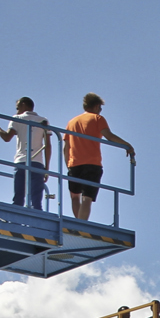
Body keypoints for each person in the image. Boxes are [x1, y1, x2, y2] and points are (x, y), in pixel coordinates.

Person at [64, 93, 135, 222]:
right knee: (87, 197)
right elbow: (109, 136)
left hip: (74, 164)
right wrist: (127, 145)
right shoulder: (97, 119)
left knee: (75, 196)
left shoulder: (72, 122)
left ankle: (78, 222)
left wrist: (68, 164)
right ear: (96, 106)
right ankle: (82, 225)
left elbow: (66, 147)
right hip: (92, 163)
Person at [0, 97, 52, 210]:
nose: (16, 110)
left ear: (24, 105)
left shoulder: (17, 118)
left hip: (21, 161)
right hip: (37, 163)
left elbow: (7, 137)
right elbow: (48, 145)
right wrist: (46, 168)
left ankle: (15, 223)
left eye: (17, 107)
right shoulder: (43, 120)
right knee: (36, 200)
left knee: (18, 198)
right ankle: (38, 224)